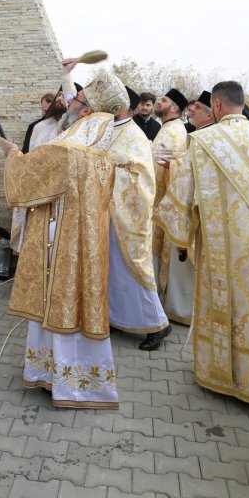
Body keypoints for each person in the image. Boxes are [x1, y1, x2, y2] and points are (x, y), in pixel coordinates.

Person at [155, 82, 249, 403]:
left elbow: (182, 194)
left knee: (224, 306)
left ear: (216, 104)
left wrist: (181, 237)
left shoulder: (202, 142)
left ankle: (222, 374)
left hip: (218, 245)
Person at [0, 109, 118, 408]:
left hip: (59, 240)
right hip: (88, 245)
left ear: (85, 116)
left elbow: (26, 179)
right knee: (81, 305)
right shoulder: (105, 156)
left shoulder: (65, 152)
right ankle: (82, 382)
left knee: (55, 304)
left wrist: (12, 153)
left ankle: (54, 378)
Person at [64, 66, 172, 351]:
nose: (88, 109)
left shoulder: (134, 135)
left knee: (133, 270)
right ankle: (115, 317)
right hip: (106, 215)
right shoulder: (108, 129)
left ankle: (158, 324)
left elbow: (139, 178)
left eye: (91, 103)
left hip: (126, 218)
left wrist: (104, 168)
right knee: (110, 271)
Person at [150, 88, 192, 324]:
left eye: (164, 100)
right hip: (156, 202)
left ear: (174, 108)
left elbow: (180, 169)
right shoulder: (167, 129)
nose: (158, 102)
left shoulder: (176, 132)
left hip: (164, 204)